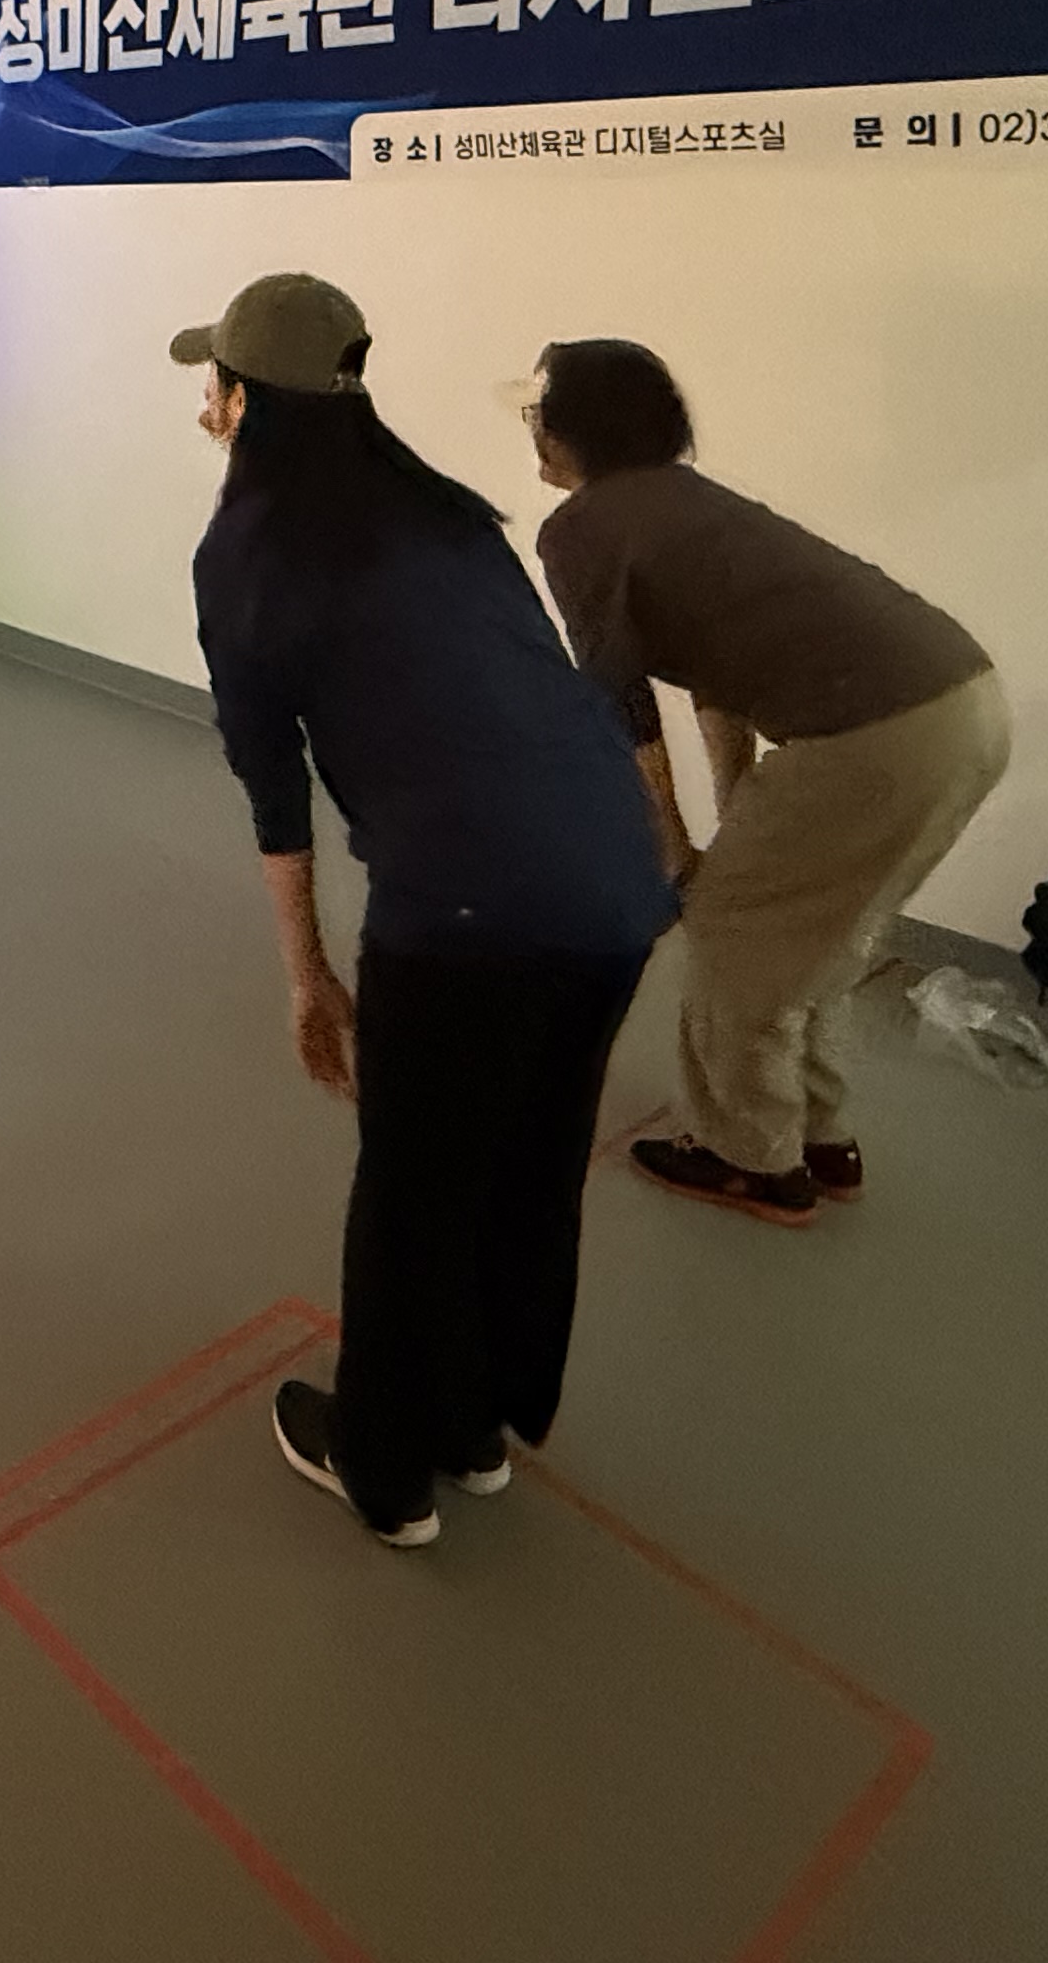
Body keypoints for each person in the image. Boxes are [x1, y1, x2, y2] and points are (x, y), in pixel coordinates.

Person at [180, 275, 677, 1549]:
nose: (205, 406)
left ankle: (386, 1467)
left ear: (245, 404)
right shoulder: (446, 512)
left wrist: (308, 977)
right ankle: (474, 1425)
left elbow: (273, 788)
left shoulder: (247, 556)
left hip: (471, 903)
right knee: (524, 1163)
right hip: (614, 878)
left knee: (413, 1184)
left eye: (214, 386)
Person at [521, 338, 1006, 1228]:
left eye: (539, 415)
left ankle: (751, 1160)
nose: (534, 432)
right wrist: (734, 802)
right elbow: (718, 670)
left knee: (734, 930)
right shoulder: (686, 501)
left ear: (576, 431)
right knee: (818, 938)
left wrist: (674, 848)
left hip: (875, 736)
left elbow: (620, 700)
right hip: (963, 708)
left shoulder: (584, 529)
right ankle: (820, 1138)